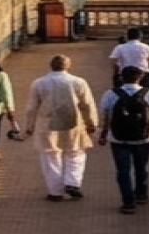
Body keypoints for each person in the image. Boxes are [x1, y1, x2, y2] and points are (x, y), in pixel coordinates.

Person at [23, 53, 100, 202]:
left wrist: (29, 127)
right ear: (67, 66)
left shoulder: (39, 83)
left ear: (51, 66)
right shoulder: (78, 82)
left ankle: (55, 192)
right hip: (74, 124)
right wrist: (91, 124)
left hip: (48, 125)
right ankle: (73, 183)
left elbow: (31, 108)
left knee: (51, 157)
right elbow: (87, 105)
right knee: (76, 154)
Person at [98, 65, 149, 214]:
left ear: (121, 78)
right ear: (140, 77)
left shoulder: (110, 94)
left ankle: (128, 202)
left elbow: (104, 117)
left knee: (123, 171)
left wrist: (102, 135)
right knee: (141, 167)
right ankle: (141, 194)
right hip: (143, 139)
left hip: (118, 139)